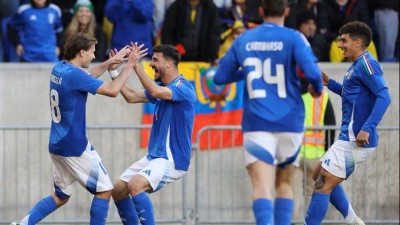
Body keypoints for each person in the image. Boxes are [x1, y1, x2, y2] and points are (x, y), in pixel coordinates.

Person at [10, 31, 148, 225]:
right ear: (81, 52)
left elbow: (86, 76)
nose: (93, 56)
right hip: (75, 146)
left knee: (61, 196)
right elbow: (113, 90)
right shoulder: (75, 75)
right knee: (105, 190)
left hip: (57, 145)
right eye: (92, 52)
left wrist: (110, 63)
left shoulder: (60, 68)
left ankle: (22, 224)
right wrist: (130, 64)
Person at [213, 0, 323, 224]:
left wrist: (246, 71)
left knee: (261, 188)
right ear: (287, 11)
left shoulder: (245, 39)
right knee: (284, 185)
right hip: (290, 122)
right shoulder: (294, 38)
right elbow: (313, 73)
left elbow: (219, 77)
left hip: (257, 123)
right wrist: (317, 89)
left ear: (261, 11)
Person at [304, 21, 391, 225]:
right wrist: (330, 84)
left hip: (356, 139)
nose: (339, 44)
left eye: (344, 40)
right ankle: (352, 219)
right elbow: (353, 95)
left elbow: (384, 96)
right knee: (318, 174)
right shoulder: (355, 66)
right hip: (347, 137)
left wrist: (367, 128)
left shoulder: (367, 64)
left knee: (323, 183)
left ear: (358, 42)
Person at [109, 44, 196, 225]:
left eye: (155, 60)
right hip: (155, 157)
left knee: (135, 185)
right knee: (117, 190)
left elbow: (156, 92)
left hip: (172, 159)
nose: (151, 64)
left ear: (169, 64)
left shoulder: (183, 88)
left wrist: (134, 65)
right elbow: (131, 96)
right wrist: (114, 72)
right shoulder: (161, 86)